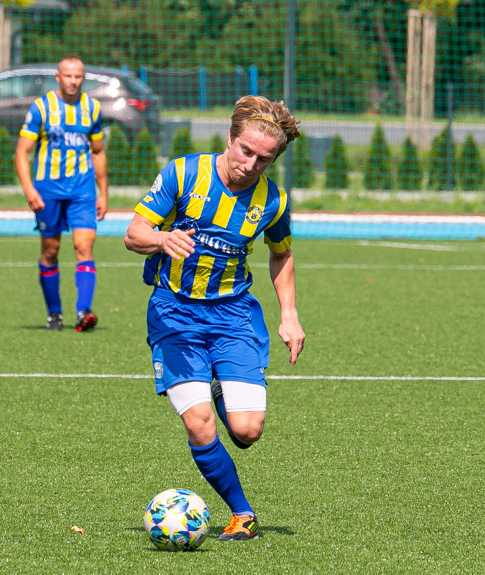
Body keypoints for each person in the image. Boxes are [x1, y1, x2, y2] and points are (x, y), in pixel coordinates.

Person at [124, 95, 304, 541]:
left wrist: (290, 315)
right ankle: (243, 515)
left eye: (263, 159)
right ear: (230, 138)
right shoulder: (184, 173)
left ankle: (221, 383)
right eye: (245, 151)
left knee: (247, 431)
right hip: (175, 313)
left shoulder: (273, 202)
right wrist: (163, 239)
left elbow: (281, 256)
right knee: (199, 422)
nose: (250, 164)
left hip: (233, 315)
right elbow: (133, 234)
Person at [15, 55, 108, 332]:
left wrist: (103, 192)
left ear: (83, 78)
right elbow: (22, 152)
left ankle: (83, 312)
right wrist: (28, 188)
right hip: (48, 190)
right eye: (68, 76)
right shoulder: (41, 107)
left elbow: (99, 151)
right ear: (58, 77)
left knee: (84, 247)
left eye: (78, 76)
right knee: (50, 250)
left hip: (82, 190)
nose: (73, 81)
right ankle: (54, 313)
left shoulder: (92, 108)